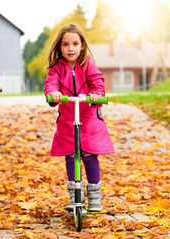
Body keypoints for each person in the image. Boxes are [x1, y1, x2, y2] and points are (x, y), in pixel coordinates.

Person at [44, 24, 115, 212]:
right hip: (68, 118)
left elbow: (97, 82)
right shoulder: (56, 69)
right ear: (59, 47)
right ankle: (75, 194)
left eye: (75, 43)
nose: (70, 48)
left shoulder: (88, 64)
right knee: (70, 155)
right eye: (65, 44)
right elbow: (50, 85)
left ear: (82, 45)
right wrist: (54, 93)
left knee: (90, 155)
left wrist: (96, 95)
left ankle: (94, 196)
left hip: (89, 117)